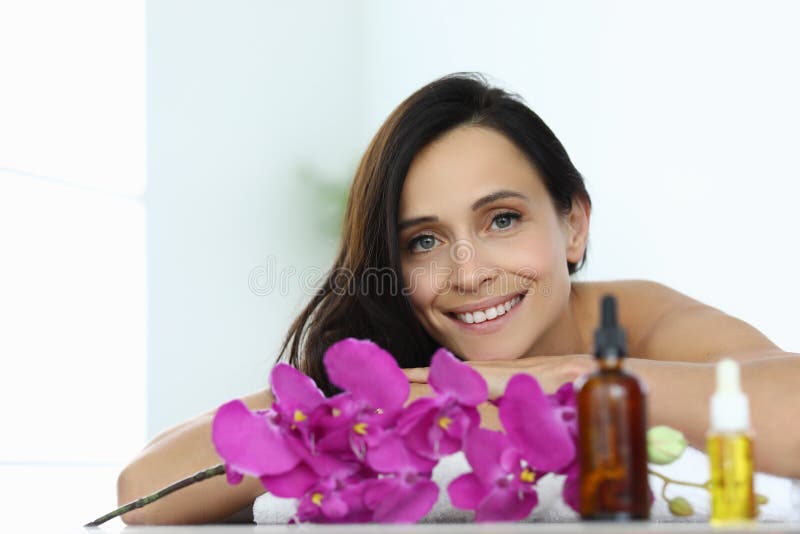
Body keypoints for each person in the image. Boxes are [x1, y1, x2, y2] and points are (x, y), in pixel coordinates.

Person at [117, 72, 800, 525]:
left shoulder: (641, 320)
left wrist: (569, 380)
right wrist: (388, 404)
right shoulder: (401, 365)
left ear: (573, 223)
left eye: (502, 219)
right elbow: (141, 490)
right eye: (423, 242)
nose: (468, 273)